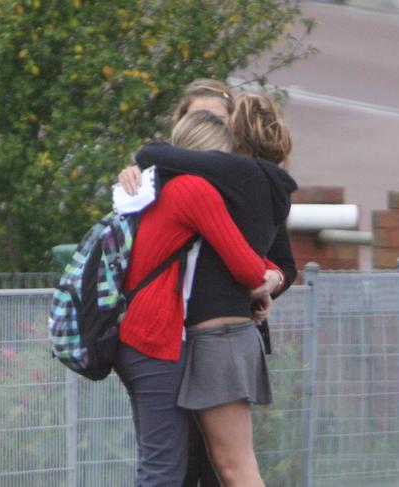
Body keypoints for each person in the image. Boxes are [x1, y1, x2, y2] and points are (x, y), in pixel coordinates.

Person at [121, 90, 297, 487]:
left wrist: (267, 278)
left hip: (216, 336)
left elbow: (151, 152)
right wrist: (269, 279)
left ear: (233, 137)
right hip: (206, 336)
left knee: (232, 468)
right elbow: (251, 258)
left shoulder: (226, 177)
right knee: (216, 467)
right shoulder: (260, 185)